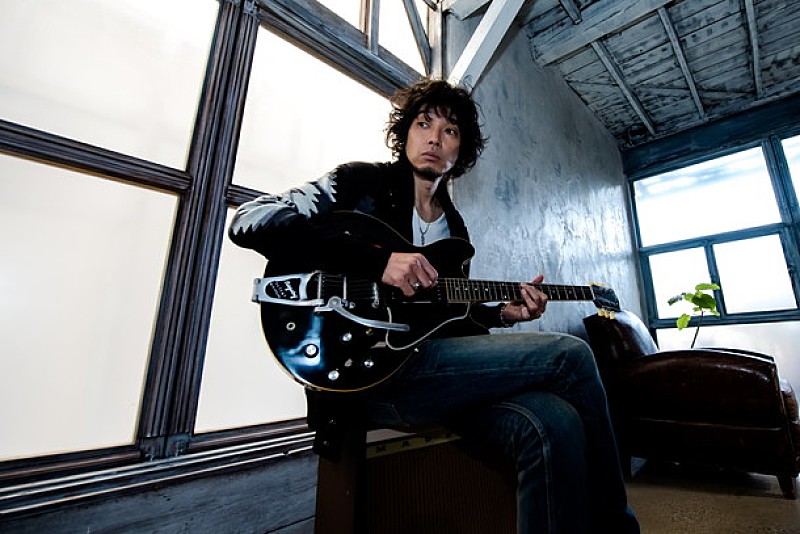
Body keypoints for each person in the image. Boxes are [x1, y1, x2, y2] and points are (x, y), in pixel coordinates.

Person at [229, 78, 640, 533]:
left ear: (461, 151)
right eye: (423, 124)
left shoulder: (456, 232)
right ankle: (616, 525)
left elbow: (444, 317)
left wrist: (503, 314)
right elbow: (251, 219)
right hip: (368, 375)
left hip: (435, 375)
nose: (434, 138)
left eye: (450, 131)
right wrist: (377, 261)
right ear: (404, 133)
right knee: (571, 354)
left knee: (554, 422)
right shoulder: (358, 183)